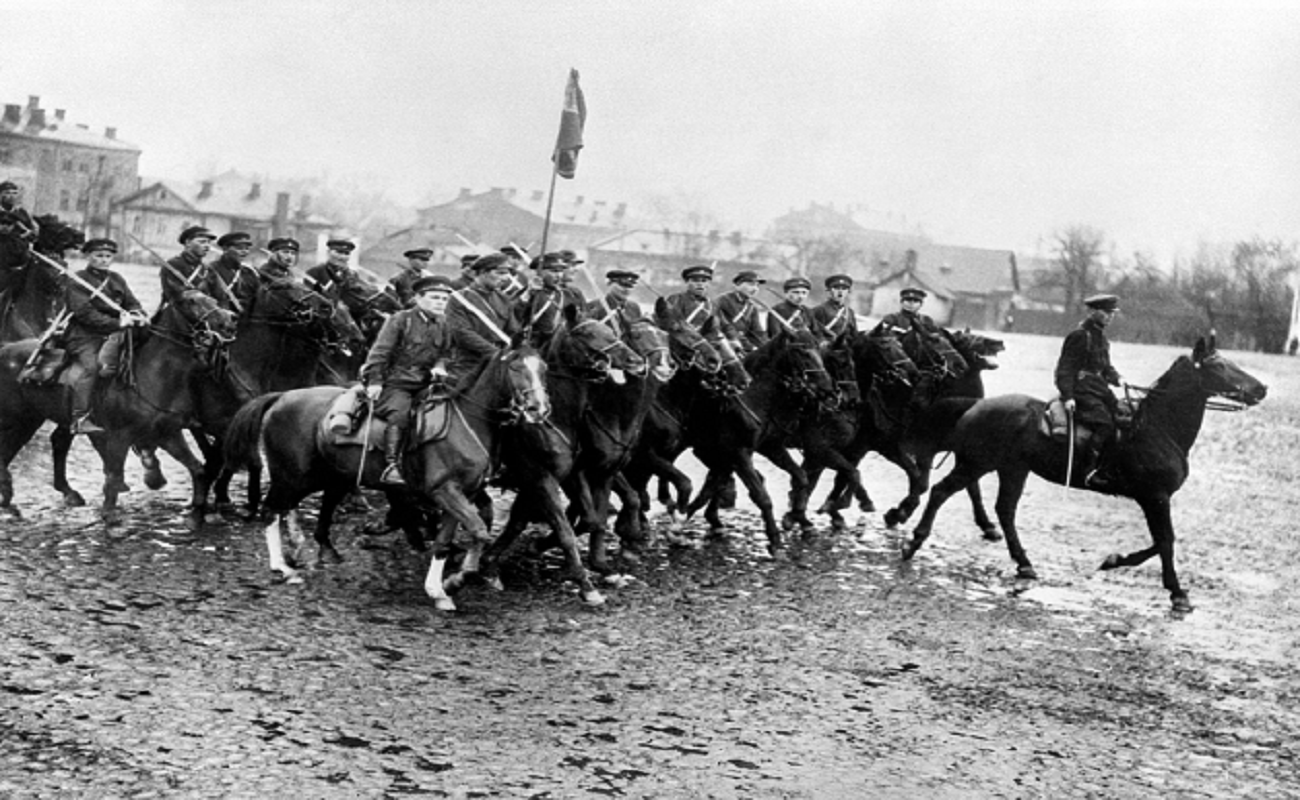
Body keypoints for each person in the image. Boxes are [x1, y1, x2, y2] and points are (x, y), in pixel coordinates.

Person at [359, 275, 455, 485]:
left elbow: (446, 353)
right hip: (395, 382)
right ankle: (392, 465)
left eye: (444, 299)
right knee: (400, 414)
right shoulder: (401, 320)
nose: (440, 302)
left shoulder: (444, 323)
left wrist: (440, 366)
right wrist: (375, 381)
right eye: (435, 297)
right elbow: (379, 353)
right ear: (418, 299)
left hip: (426, 383)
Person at [64, 239, 147, 434]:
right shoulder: (78, 279)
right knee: (92, 367)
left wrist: (138, 314)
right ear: (88, 256)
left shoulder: (117, 279)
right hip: (83, 335)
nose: (104, 260)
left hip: (115, 334)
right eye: (98, 256)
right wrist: (117, 323)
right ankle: (80, 418)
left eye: (108, 256)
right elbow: (84, 313)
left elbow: (132, 302)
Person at [1055, 293, 1124, 489]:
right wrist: (1068, 396)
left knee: (1124, 417)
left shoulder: (1100, 336)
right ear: (1093, 312)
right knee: (1105, 424)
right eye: (1106, 312)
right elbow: (1064, 369)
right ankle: (1089, 471)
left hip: (1099, 389)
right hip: (1081, 391)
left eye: (1112, 313)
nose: (1110, 317)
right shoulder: (1080, 335)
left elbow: (1105, 367)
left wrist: (1119, 378)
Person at [445, 252, 516, 384]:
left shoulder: (503, 299)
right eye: (500, 273)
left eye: (507, 273)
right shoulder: (459, 299)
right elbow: (462, 333)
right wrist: (495, 353)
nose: (506, 278)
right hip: (470, 364)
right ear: (483, 272)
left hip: (500, 361)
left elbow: (512, 330)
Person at [515, 252, 586, 347]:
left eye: (561, 271)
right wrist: (529, 293)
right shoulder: (531, 293)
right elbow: (513, 315)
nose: (559, 275)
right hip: (535, 347)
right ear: (539, 272)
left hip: (561, 348)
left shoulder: (568, 294)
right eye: (554, 271)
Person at [655, 264, 737, 346]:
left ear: (708, 284)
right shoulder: (676, 299)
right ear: (687, 282)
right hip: (680, 343)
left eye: (704, 281)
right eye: (695, 281)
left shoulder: (712, 304)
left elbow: (725, 326)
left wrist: (734, 339)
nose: (700, 284)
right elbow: (670, 322)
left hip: (704, 345)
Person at [162, 225, 217, 312]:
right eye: (202, 242)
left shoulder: (207, 268)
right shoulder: (173, 264)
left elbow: (215, 294)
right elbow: (174, 294)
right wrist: (196, 295)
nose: (207, 246)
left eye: (209, 242)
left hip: (203, 313)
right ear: (188, 243)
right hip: (176, 313)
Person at [715, 270, 768, 354]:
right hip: (725, 345)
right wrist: (750, 347)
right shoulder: (723, 300)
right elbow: (722, 327)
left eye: (757, 286)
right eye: (751, 285)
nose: (755, 289)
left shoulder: (751, 306)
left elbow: (757, 332)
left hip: (743, 346)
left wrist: (767, 347)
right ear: (737, 285)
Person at [587, 269, 644, 338]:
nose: (626, 290)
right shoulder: (595, 306)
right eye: (622, 285)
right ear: (609, 284)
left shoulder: (634, 307)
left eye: (630, 286)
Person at [210, 232, 259, 312]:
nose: (244, 252)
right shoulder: (211, 270)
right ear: (225, 249)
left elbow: (258, 299)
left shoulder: (250, 272)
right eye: (239, 248)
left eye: (247, 248)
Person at [810, 274, 858, 343]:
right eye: (836, 288)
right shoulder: (820, 310)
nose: (840, 292)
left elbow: (854, 335)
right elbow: (814, 334)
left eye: (844, 289)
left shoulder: (850, 312)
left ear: (848, 292)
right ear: (829, 290)